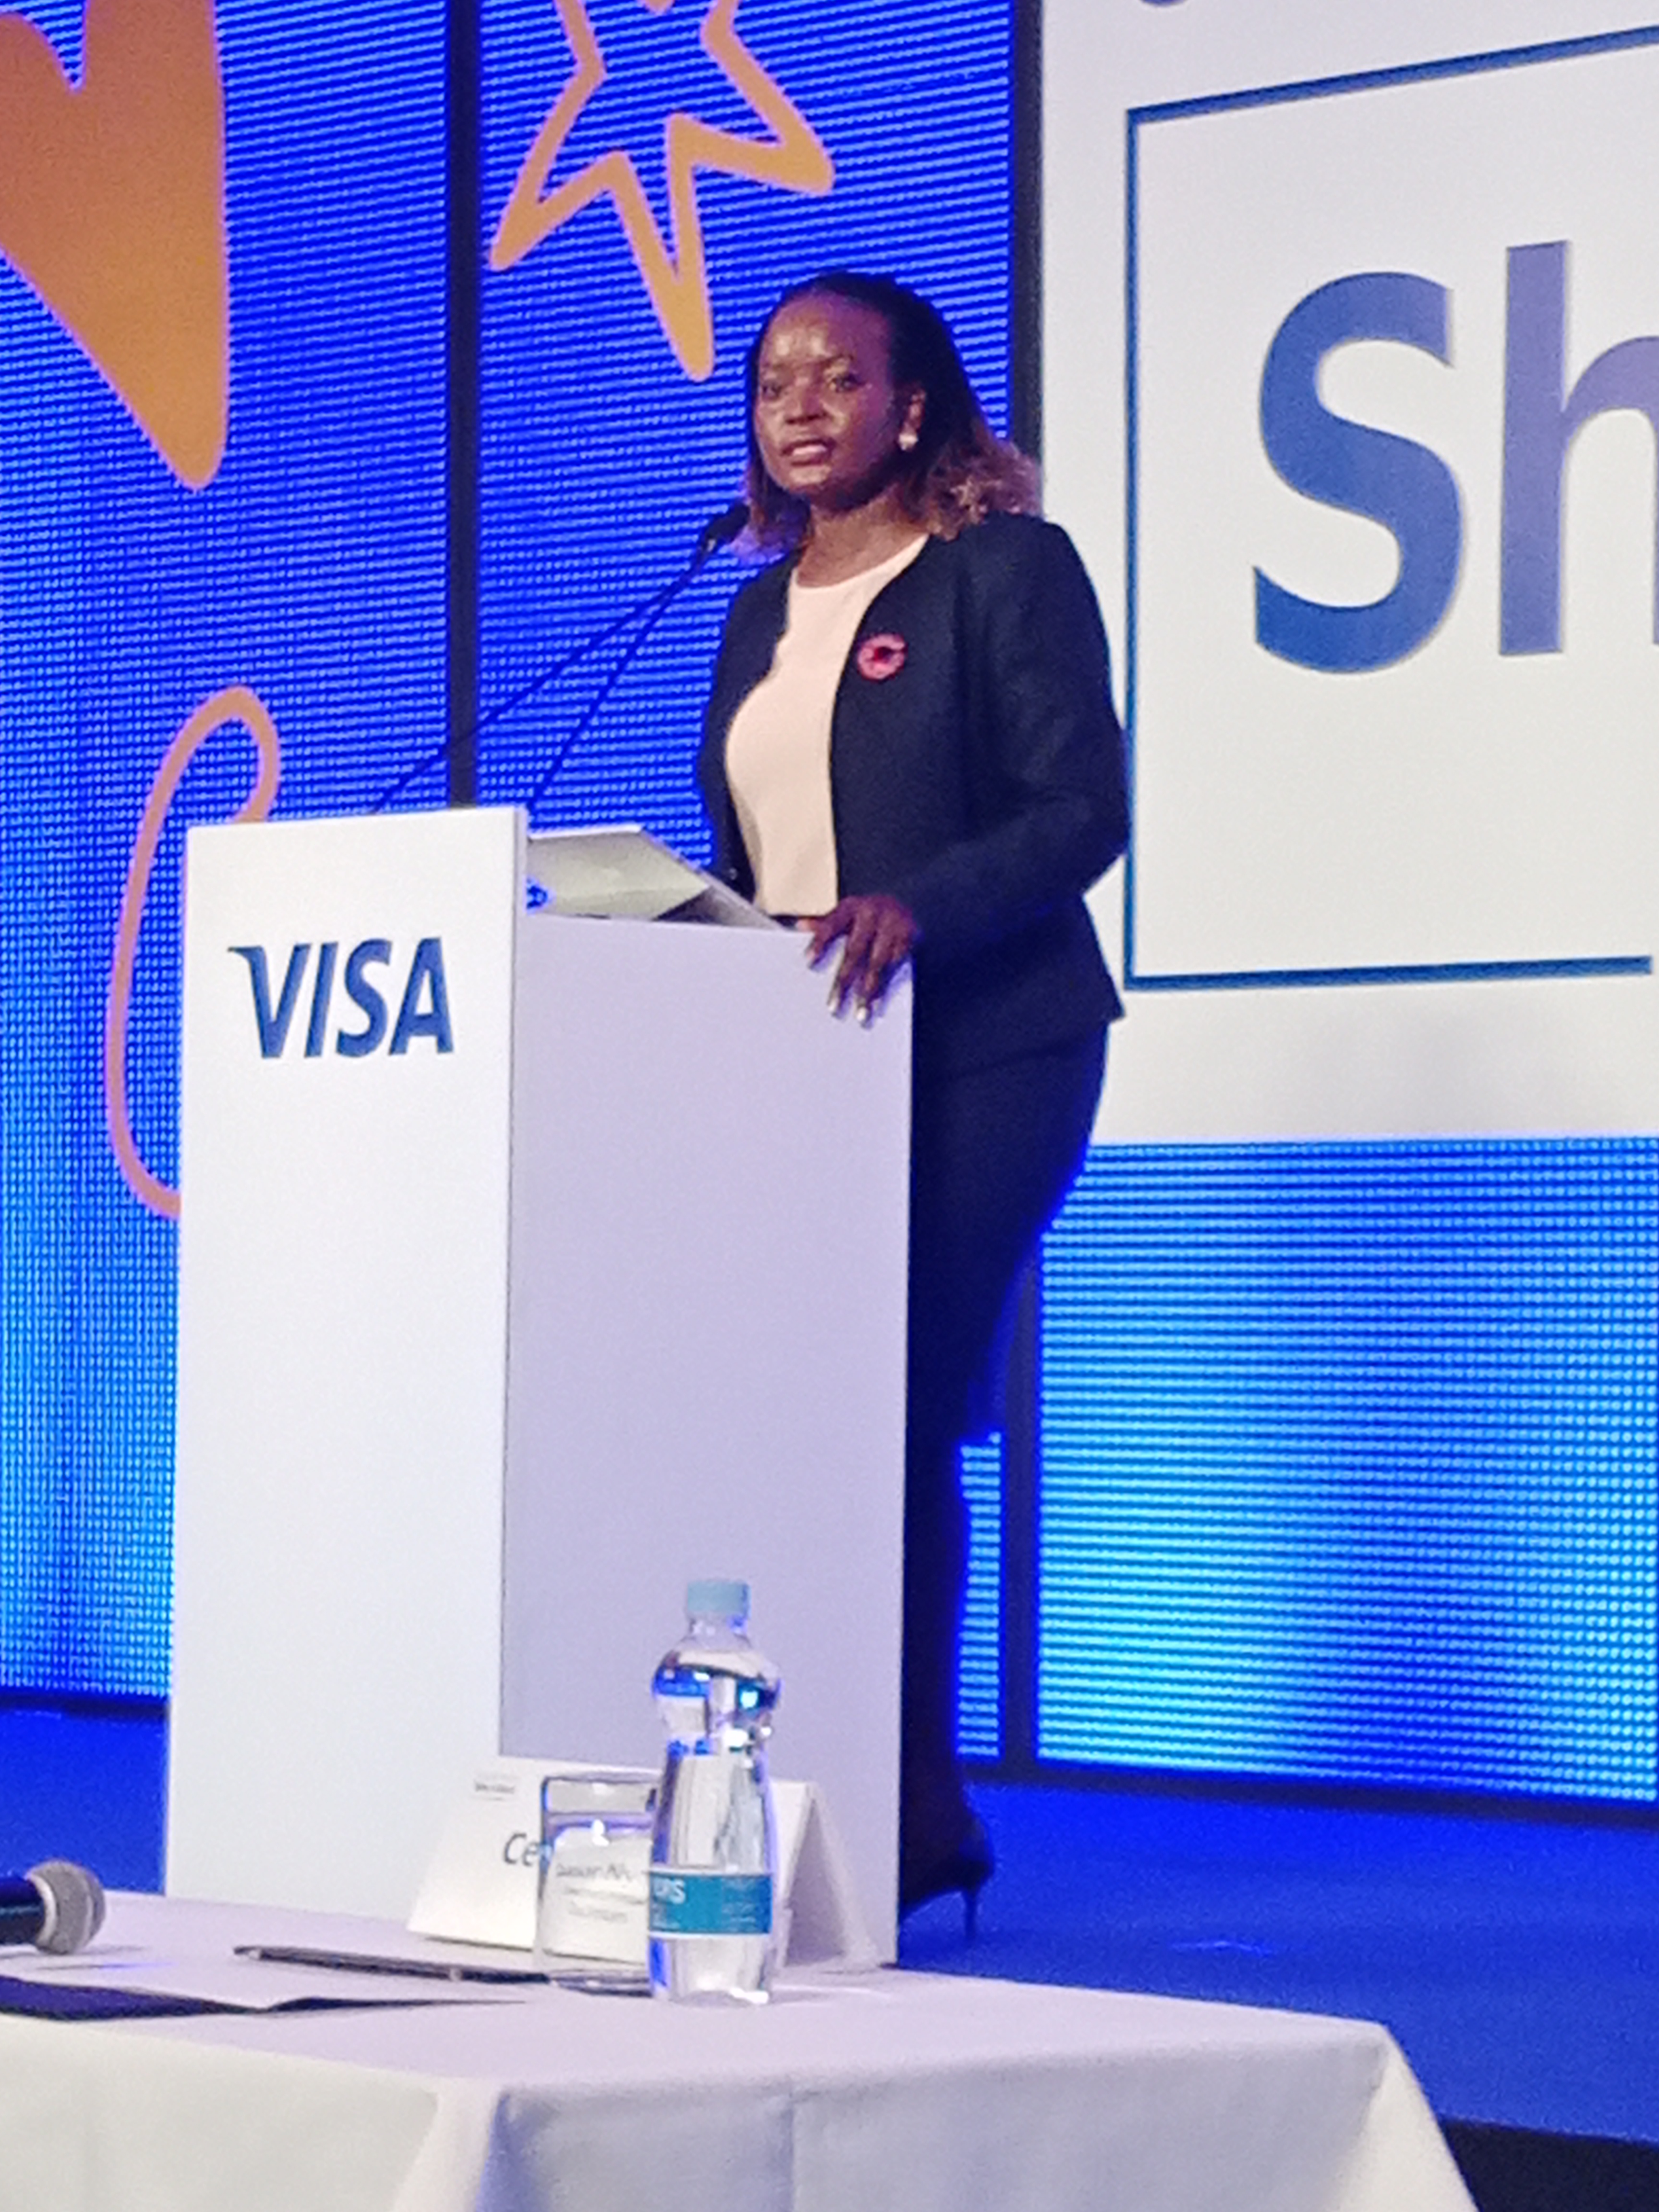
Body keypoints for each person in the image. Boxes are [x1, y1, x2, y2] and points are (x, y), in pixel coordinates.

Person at [697, 271, 1129, 1928]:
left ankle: (915, 1793)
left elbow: (1080, 808)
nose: (799, 407)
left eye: (837, 378)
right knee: (807, 1414)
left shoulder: (1002, 570)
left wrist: (915, 907)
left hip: (986, 1044)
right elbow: (758, 856)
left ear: (914, 404)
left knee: (894, 1403)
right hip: (802, 1058)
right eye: (773, 383)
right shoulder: (757, 609)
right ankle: (827, 1781)